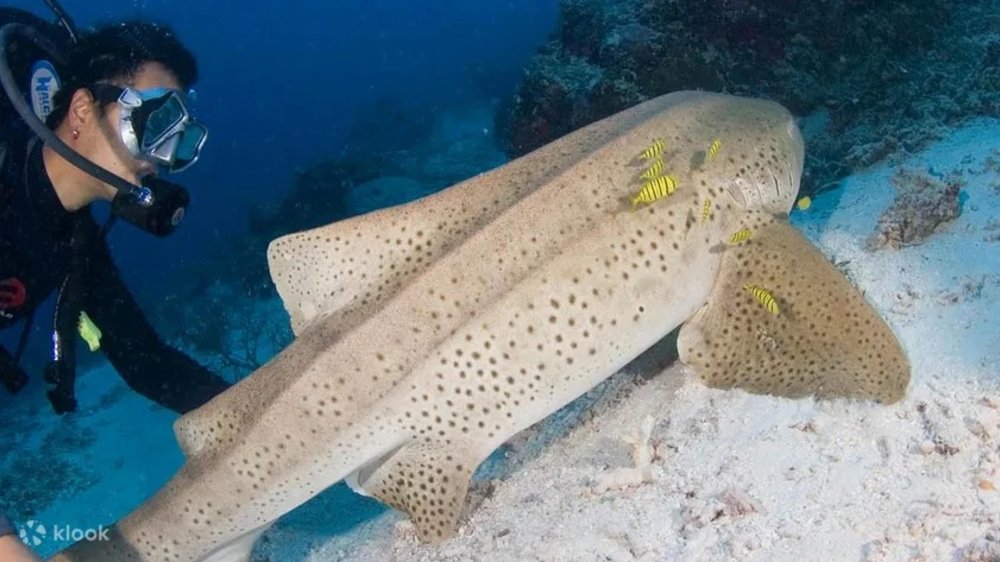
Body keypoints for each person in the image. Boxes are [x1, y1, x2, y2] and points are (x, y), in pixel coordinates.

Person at [0, 13, 231, 414]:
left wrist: (270, 415)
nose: (158, 161)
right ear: (82, 110)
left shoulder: (74, 245)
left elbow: (148, 365)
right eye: (154, 122)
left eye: (178, 141)